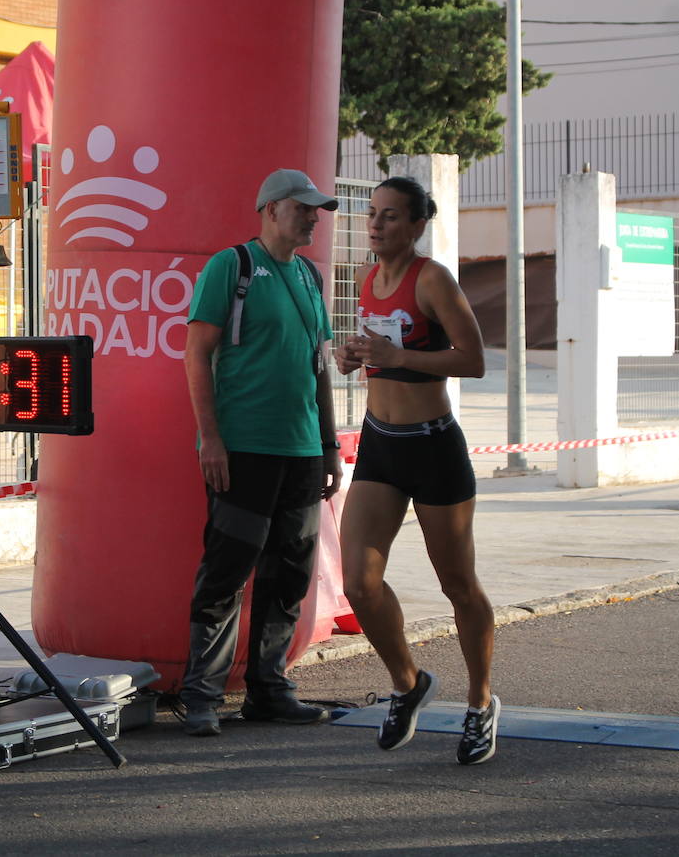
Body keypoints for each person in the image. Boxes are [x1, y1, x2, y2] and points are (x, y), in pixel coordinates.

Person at [334, 176, 499, 765]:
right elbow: (376, 349)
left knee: (458, 585)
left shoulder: (432, 279)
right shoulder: (363, 278)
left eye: (390, 217)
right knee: (359, 582)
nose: (376, 225)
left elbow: (473, 359)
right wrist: (352, 355)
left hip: (433, 448)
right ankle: (408, 684)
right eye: (372, 215)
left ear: (416, 224)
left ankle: (480, 703)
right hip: (381, 446)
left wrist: (398, 357)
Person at [178, 168, 343, 737]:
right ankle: (200, 694)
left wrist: (329, 444)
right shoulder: (233, 267)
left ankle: (268, 690)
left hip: (301, 452)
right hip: (244, 448)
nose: (314, 218)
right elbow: (196, 356)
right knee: (229, 569)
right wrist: (212, 439)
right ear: (271, 208)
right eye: (304, 208)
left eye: (317, 209)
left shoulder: (309, 276)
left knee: (289, 573)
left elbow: (318, 365)